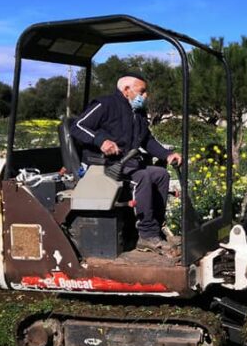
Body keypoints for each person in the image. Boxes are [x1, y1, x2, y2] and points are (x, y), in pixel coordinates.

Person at [71, 72, 183, 255]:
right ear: (126, 90)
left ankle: (154, 228)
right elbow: (78, 126)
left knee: (161, 174)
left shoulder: (137, 112)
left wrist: (167, 154)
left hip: (126, 164)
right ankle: (146, 236)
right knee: (143, 177)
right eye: (142, 91)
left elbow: (146, 140)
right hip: (102, 165)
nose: (145, 96)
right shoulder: (105, 104)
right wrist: (101, 141)